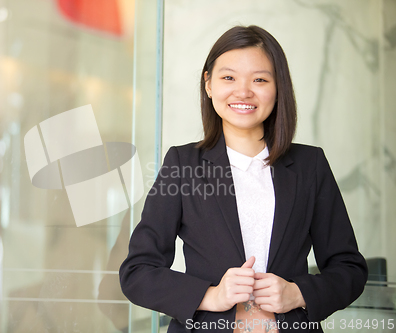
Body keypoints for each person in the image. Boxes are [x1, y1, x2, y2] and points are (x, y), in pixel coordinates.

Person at [119, 25, 368, 333]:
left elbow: (349, 268)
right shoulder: (183, 164)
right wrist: (211, 296)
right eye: (229, 77)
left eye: (260, 79)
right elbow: (138, 272)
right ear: (208, 84)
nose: (243, 91)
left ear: (278, 88)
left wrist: (298, 293)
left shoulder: (309, 165)